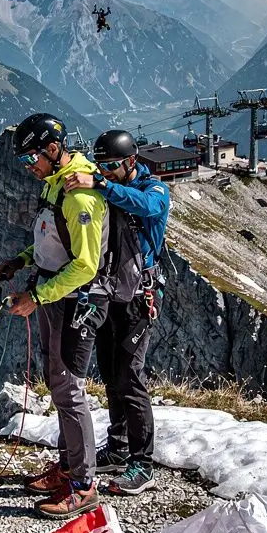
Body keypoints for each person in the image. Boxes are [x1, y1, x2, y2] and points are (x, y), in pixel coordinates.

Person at [0, 114, 110, 523]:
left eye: (32, 159)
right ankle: (67, 469)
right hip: (52, 296)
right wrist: (21, 260)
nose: (30, 168)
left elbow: (86, 265)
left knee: (68, 388)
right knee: (57, 381)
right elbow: (50, 242)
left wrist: (37, 295)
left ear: (51, 149)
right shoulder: (55, 184)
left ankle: (84, 486)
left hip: (75, 300)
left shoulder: (80, 195)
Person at [64, 128, 170, 494]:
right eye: (101, 166)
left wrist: (100, 185)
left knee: (131, 377)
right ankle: (120, 446)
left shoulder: (155, 190)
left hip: (140, 300)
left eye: (111, 166)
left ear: (131, 162)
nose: (105, 172)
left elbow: (149, 208)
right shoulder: (110, 187)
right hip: (110, 295)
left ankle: (143, 462)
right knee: (110, 373)